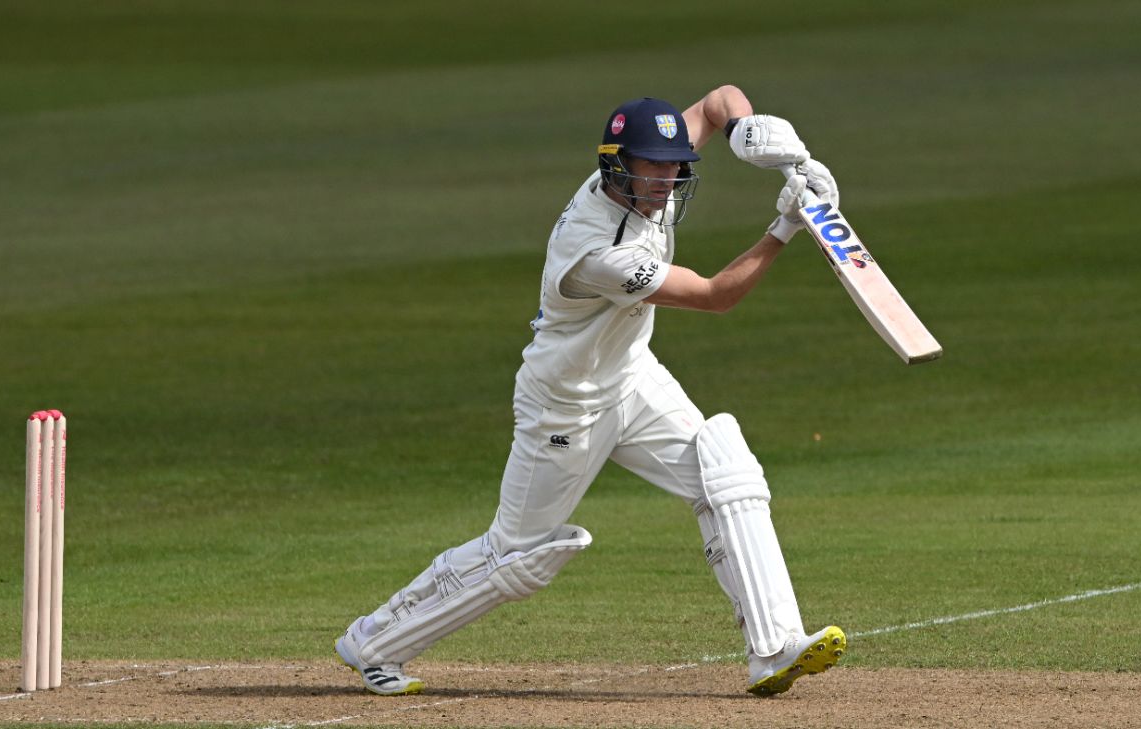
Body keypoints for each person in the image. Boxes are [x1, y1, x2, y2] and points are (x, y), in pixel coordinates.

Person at [336, 85, 844, 697]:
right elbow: (716, 296)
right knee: (519, 557)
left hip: (631, 375)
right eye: (650, 167)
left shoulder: (643, 171)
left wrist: (750, 134)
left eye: (674, 165)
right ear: (616, 166)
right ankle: (374, 642)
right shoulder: (598, 251)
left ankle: (774, 649)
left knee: (726, 471)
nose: (665, 180)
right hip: (566, 403)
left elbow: (717, 102)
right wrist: (787, 223)